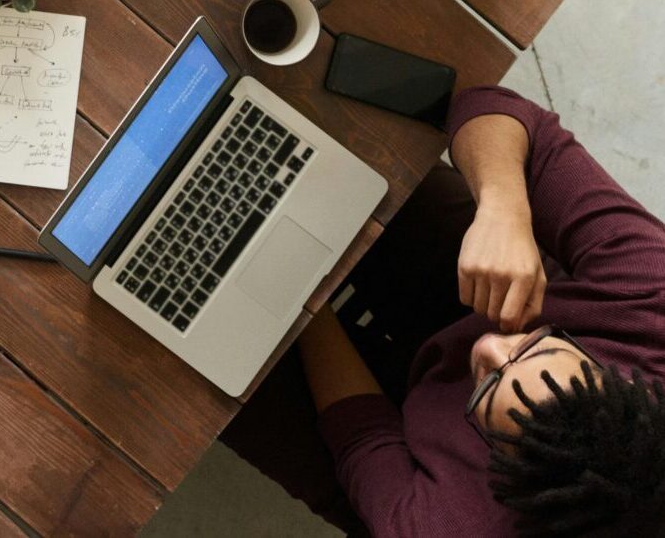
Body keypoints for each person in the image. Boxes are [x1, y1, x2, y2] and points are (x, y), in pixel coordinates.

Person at [220, 86, 665, 536]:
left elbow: (363, 434)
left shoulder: (451, 526)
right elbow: (491, 107)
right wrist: (503, 208)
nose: (490, 345)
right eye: (538, 346)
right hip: (495, 291)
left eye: (489, 386)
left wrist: (301, 292)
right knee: (359, 153)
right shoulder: (652, 301)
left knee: (220, 374)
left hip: (406, 461)